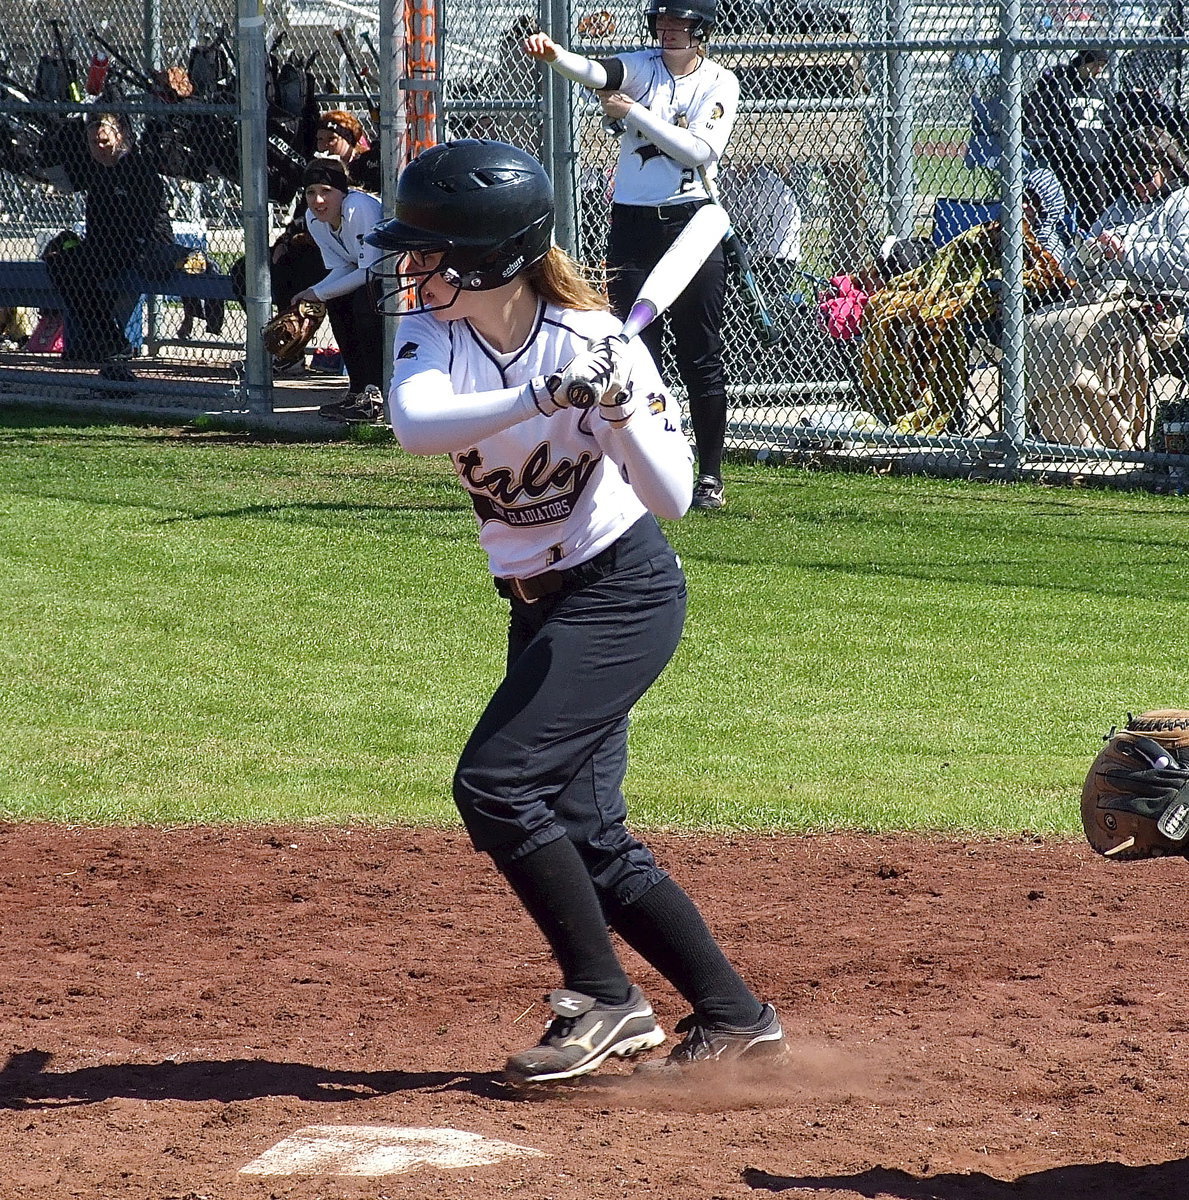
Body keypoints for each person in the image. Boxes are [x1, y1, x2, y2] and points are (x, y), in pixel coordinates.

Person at [365, 138, 785, 1083]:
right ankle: (735, 1018)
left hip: (620, 592)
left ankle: (603, 996)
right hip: (535, 606)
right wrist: (543, 393)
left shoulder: (598, 345)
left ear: (488, 258)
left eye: (426, 250)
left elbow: (674, 499)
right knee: (587, 833)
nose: (409, 267)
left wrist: (626, 411)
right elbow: (413, 425)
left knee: (495, 784)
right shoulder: (436, 331)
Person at [523, 0, 739, 511]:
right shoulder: (644, 65)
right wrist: (556, 55)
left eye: (678, 25)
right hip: (633, 225)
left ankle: (708, 475)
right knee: (636, 351)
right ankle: (643, 463)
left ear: (701, 30)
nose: (666, 32)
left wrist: (634, 113)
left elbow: (701, 151)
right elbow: (599, 72)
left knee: (700, 353)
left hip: (691, 224)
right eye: (661, 23)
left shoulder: (719, 81)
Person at [41, 111, 181, 378]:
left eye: (104, 141)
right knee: (61, 263)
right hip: (106, 245)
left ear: (120, 137)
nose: (99, 148)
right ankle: (106, 339)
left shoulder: (138, 169)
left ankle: (108, 341)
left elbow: (146, 223)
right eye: (94, 143)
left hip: (142, 244)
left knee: (85, 267)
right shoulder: (96, 173)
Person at [290, 155, 385, 422]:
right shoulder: (313, 219)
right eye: (311, 192)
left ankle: (376, 393)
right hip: (369, 274)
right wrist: (312, 291)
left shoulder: (358, 208)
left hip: (395, 277)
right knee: (338, 303)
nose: (318, 200)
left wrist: (317, 293)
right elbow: (343, 267)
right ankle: (358, 391)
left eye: (326, 192)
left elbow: (373, 270)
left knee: (364, 303)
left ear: (343, 192)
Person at [1023, 48, 1112, 224]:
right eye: (1096, 65)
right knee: (1064, 202)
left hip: (1093, 158)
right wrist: (1072, 146)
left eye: (1102, 66)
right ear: (1085, 63)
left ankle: (1089, 236)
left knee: (1097, 203)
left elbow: (1109, 122)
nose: (1099, 70)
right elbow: (1054, 121)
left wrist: (1101, 144)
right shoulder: (1062, 86)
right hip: (1066, 157)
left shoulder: (1100, 90)